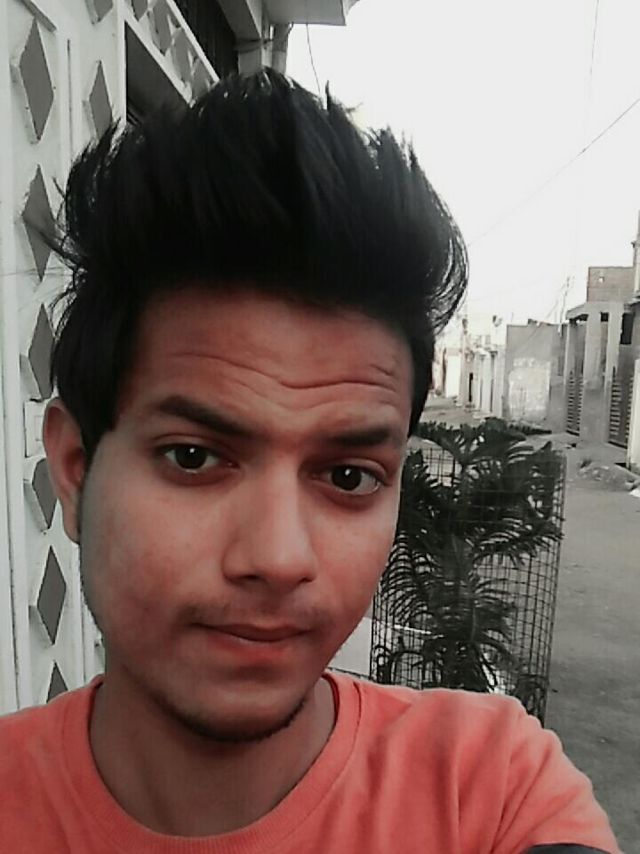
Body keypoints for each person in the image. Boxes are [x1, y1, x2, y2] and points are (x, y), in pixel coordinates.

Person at [0, 70, 619, 854]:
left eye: (348, 476)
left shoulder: (488, 790)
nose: (279, 558)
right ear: (75, 468)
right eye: (193, 457)